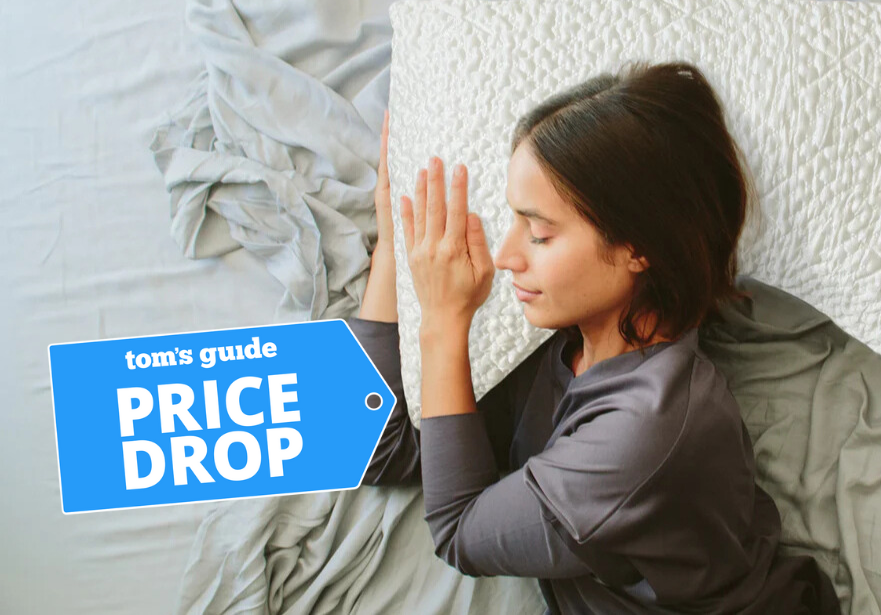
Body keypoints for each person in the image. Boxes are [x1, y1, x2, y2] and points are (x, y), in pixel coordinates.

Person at [347, 61, 839, 614]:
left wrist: (443, 319)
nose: (507, 257)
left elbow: (459, 529)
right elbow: (373, 443)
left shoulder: (644, 436)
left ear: (638, 248)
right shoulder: (569, 345)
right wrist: (391, 242)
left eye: (538, 233)